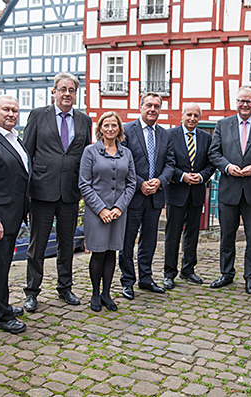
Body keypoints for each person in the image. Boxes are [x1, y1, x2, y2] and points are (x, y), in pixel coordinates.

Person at [22, 72, 92, 312]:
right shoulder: (38, 116)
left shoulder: (84, 120)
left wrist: (83, 187)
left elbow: (85, 157)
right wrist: (29, 188)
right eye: (62, 89)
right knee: (37, 245)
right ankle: (32, 291)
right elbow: (27, 153)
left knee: (66, 244)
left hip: (70, 193)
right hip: (42, 192)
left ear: (76, 93)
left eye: (71, 90)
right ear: (54, 92)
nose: (67, 94)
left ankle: (65, 287)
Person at [208, 86, 251, 294]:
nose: (245, 105)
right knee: (227, 235)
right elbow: (214, 153)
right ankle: (226, 273)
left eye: (250, 102)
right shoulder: (222, 124)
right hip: (230, 188)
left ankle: (250, 276)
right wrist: (227, 166)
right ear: (236, 102)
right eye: (242, 101)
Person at [118, 92, 175, 300]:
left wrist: (160, 181)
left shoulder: (164, 134)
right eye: (149, 105)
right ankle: (127, 281)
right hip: (133, 196)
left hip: (155, 196)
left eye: (156, 106)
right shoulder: (126, 131)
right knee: (127, 241)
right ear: (140, 106)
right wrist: (141, 182)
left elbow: (170, 163)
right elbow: (122, 163)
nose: (153, 109)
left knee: (149, 241)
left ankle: (146, 278)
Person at [78, 112, 136, 311]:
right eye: (106, 125)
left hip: (119, 213)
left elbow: (131, 182)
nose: (110, 129)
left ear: (120, 129)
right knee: (99, 253)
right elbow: (84, 184)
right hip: (96, 212)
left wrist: (119, 207)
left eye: (114, 125)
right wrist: (102, 209)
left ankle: (107, 293)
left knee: (112, 252)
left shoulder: (126, 153)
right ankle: (95, 292)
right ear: (100, 129)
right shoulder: (90, 152)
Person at [0, 95, 30, 334]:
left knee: (0, 265)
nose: (11, 114)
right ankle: (2, 316)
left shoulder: (15, 139)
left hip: (14, 213)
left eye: (15, 110)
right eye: (6, 110)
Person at [163, 103, 215, 289]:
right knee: (173, 234)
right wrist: (182, 176)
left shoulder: (205, 137)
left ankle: (188, 269)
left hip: (196, 193)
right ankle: (169, 273)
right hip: (177, 192)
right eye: (189, 114)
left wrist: (201, 176)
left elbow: (211, 163)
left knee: (192, 233)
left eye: (196, 115)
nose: (192, 118)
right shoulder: (169, 135)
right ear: (182, 115)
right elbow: (166, 162)